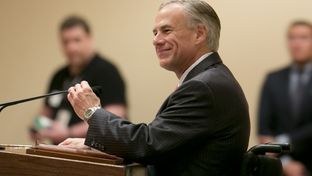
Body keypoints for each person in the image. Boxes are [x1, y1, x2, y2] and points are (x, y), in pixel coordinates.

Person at [59, 1, 250, 176]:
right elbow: (162, 146)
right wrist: (100, 147)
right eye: (155, 32)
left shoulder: (203, 87)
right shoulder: (209, 79)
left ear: (199, 34)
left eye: (166, 30)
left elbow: (148, 144)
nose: (156, 40)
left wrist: (92, 112)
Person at [31, 16, 127, 144]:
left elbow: (117, 115)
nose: (71, 48)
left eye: (77, 40)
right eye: (66, 42)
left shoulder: (107, 71)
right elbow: (46, 111)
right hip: (61, 149)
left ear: (89, 39)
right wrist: (38, 127)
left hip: (94, 150)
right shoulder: (58, 75)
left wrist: (69, 133)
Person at [258, 21, 312, 176]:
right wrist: (286, 162)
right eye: (292, 38)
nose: (296, 44)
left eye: (303, 38)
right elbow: (264, 128)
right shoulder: (273, 79)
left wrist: (284, 141)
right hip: (281, 167)